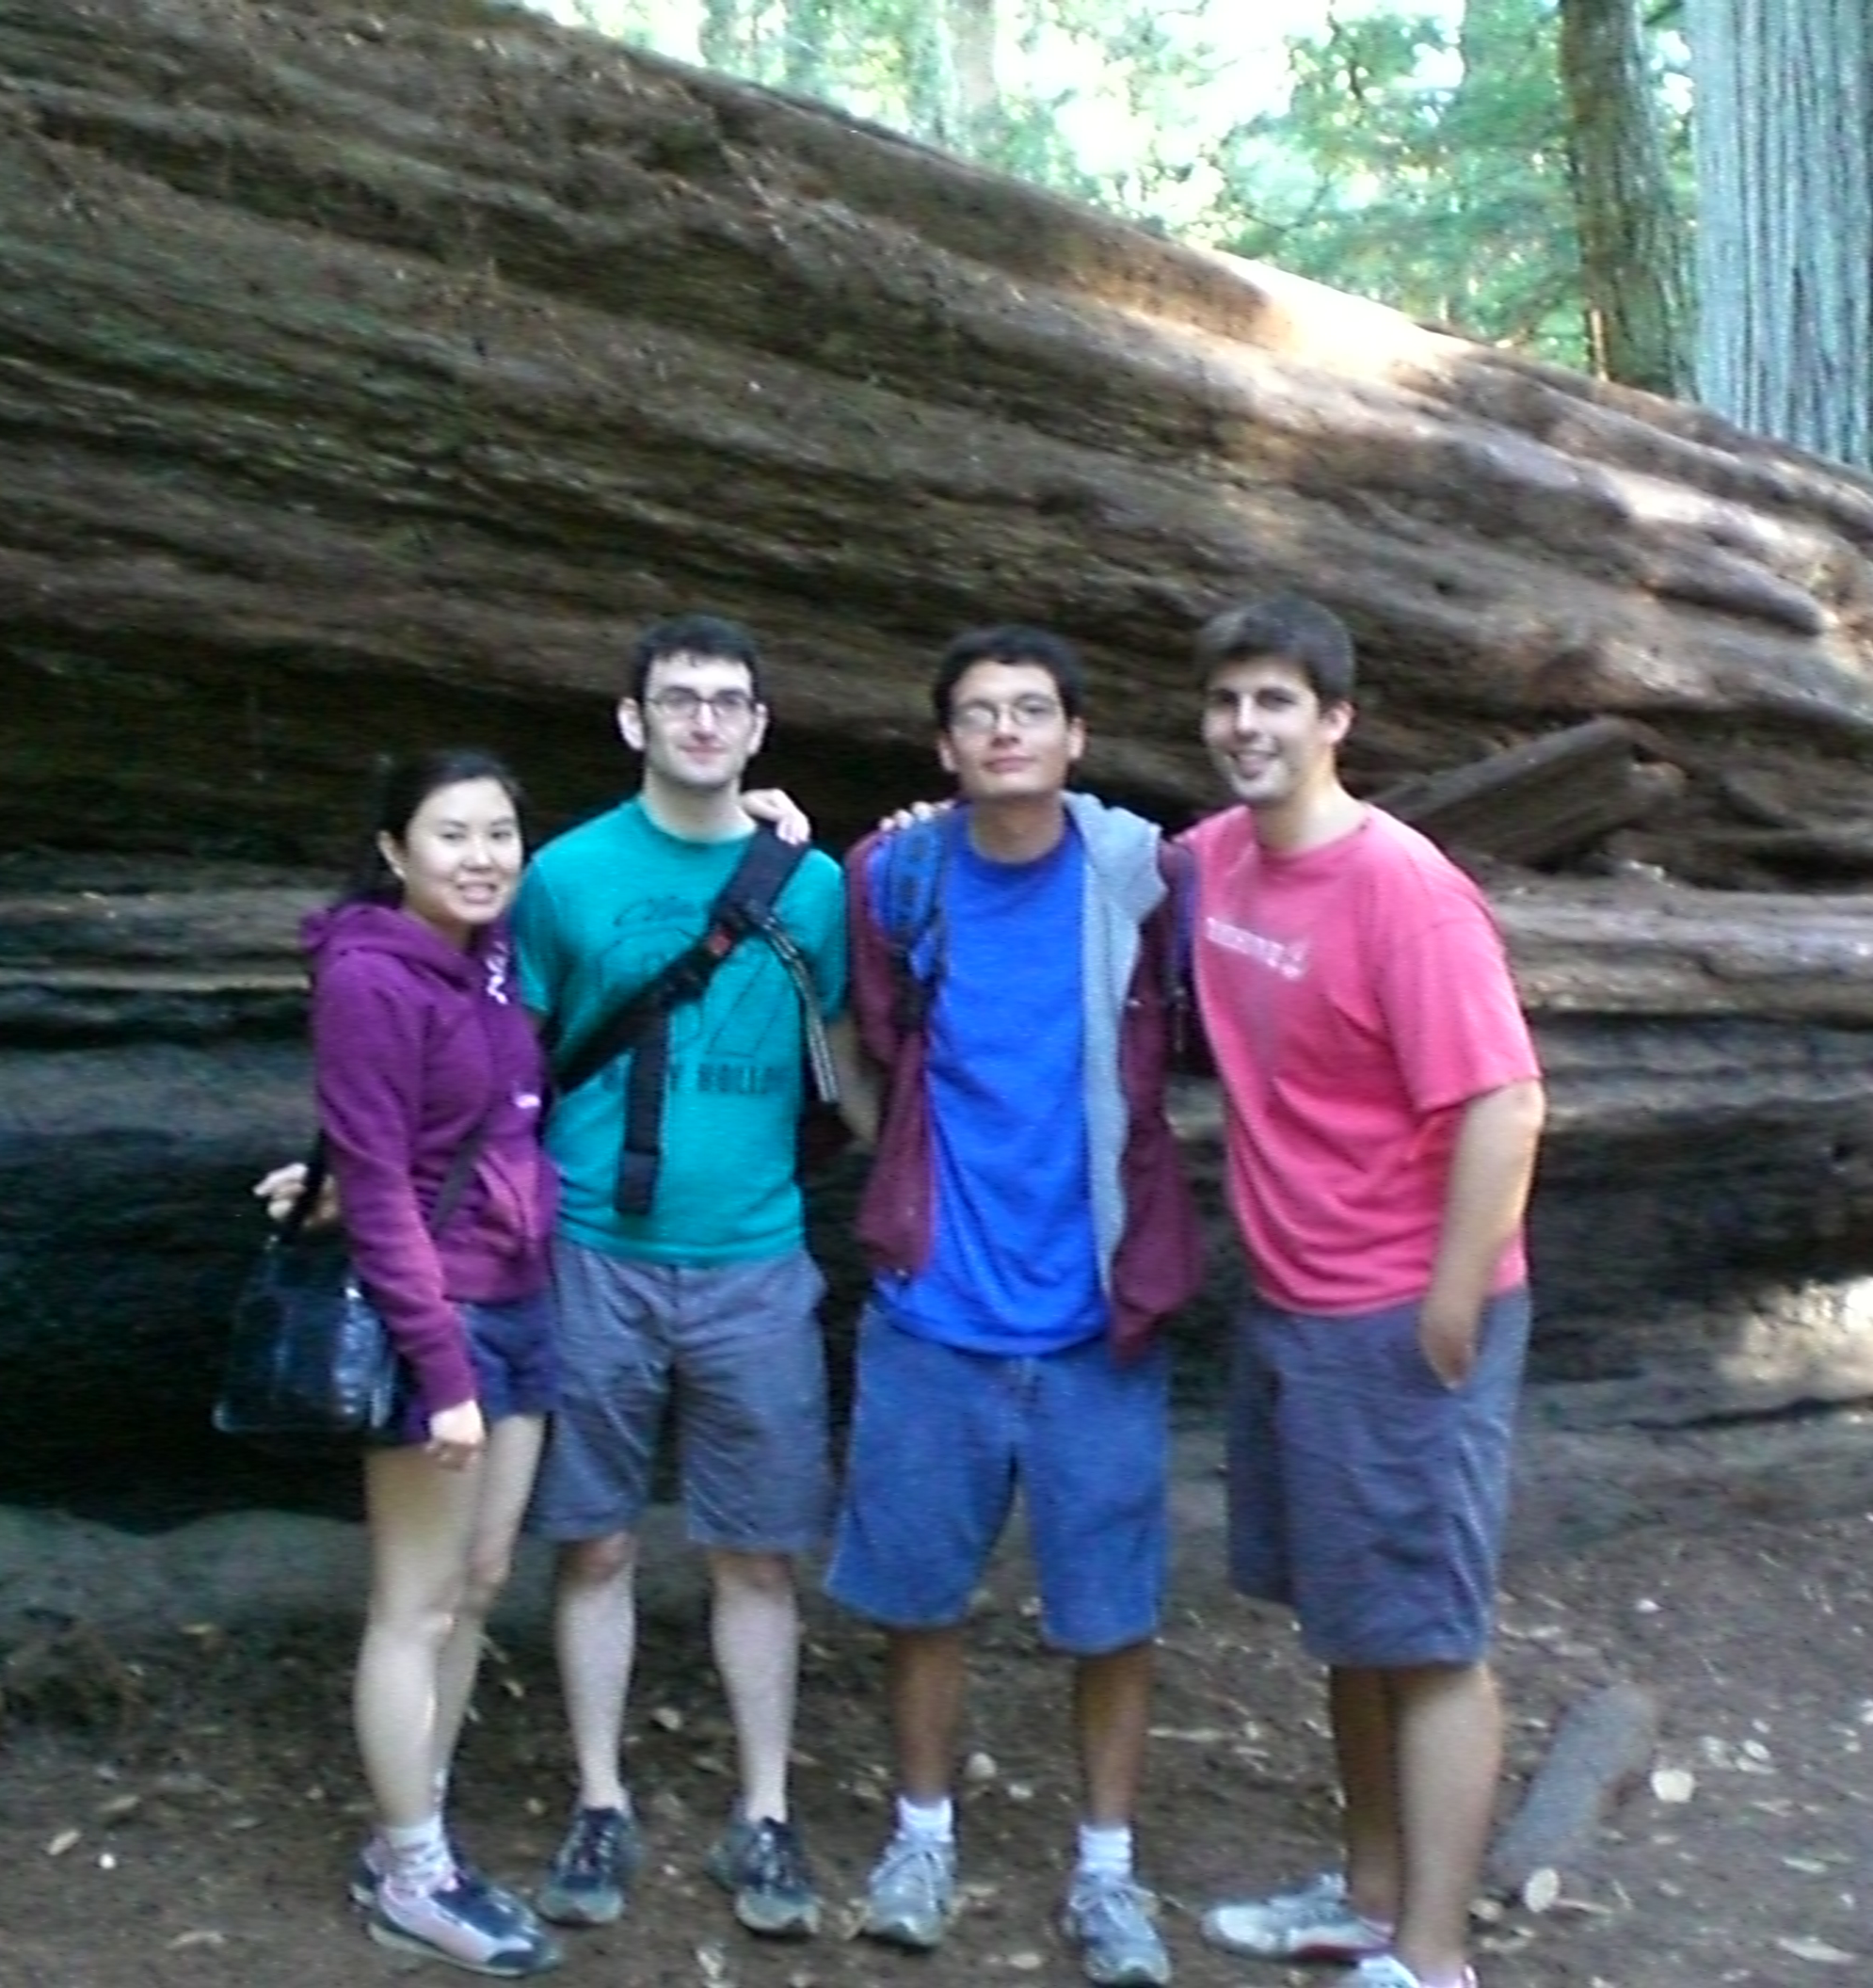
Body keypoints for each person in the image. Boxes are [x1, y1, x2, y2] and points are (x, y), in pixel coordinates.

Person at [830, 625, 1204, 1988]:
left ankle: (1107, 1871)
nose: (1005, 731)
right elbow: (859, 1036)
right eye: (980, 714)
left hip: (1097, 1315)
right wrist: (895, 1175)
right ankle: (921, 1840)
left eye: (1032, 710)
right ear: (945, 746)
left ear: (1075, 738)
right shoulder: (896, 877)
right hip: (935, 1311)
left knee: (1111, 1612)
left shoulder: (1145, 876)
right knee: (922, 1596)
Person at [1181, 595, 1545, 1988]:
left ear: (1334, 720)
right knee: (1354, 1624)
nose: (1246, 726)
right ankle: (1371, 1898)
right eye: (1227, 701)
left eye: (1276, 700)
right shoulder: (1216, 860)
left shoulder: (1404, 889)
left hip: (1402, 1316)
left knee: (1431, 1639)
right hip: (1295, 1307)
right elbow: (1069, 852)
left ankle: (1432, 1958)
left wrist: (1447, 1311)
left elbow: (1506, 1103)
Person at [511, 613, 857, 1941]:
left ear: (759, 727)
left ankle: (764, 1811)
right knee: (594, 1539)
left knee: (757, 1553)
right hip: (593, 1252)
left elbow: (844, 1059)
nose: (703, 720)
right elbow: (516, 1060)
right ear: (633, 720)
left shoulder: (810, 887)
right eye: (678, 699)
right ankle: (599, 1796)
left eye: (727, 701)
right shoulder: (563, 876)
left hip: (755, 1258)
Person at [270, 749, 565, 1979]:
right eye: (453, 834)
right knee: (417, 1604)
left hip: (521, 1297)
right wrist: (442, 1374)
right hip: (438, 1318)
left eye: (500, 833)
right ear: (395, 850)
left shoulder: (488, 958)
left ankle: (419, 1833)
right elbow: (384, 1190)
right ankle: (413, 1873)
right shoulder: (368, 979)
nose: (482, 857)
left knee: (481, 1579)